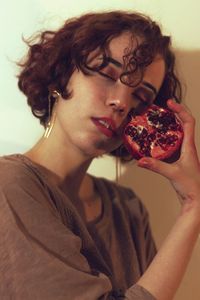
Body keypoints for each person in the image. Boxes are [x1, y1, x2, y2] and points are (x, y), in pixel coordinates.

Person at [0, 10, 199, 300]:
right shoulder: (10, 186)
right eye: (107, 74)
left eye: (141, 96)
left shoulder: (127, 209)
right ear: (61, 73)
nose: (121, 102)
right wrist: (193, 209)